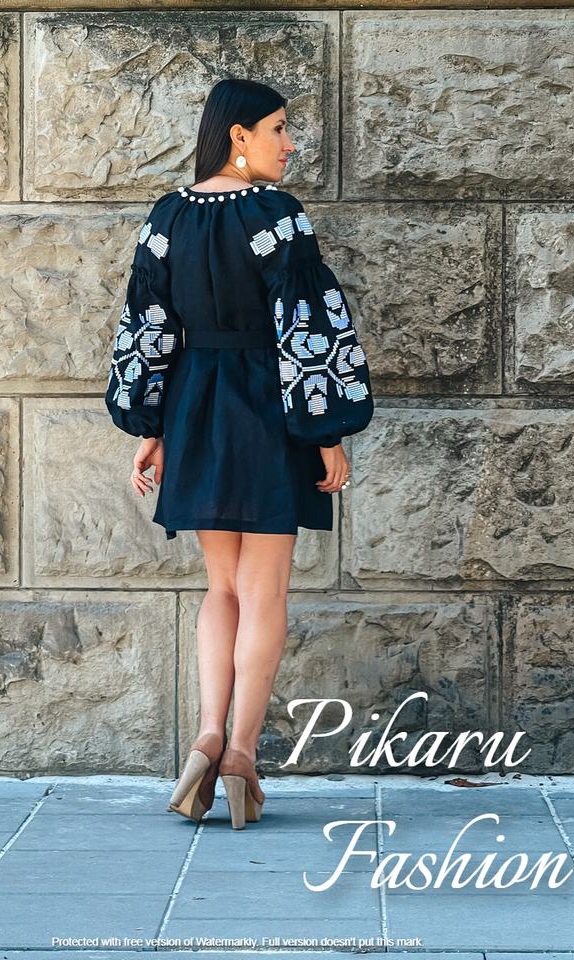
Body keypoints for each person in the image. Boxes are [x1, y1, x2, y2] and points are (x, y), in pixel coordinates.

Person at [105, 77, 374, 829]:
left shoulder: (167, 216)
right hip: (268, 408)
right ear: (239, 135)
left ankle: (205, 734)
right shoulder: (277, 216)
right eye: (279, 128)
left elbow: (146, 324)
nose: (290, 143)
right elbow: (309, 325)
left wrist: (152, 426)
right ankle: (242, 755)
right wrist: (326, 432)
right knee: (265, 593)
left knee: (220, 588)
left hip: (195, 406)